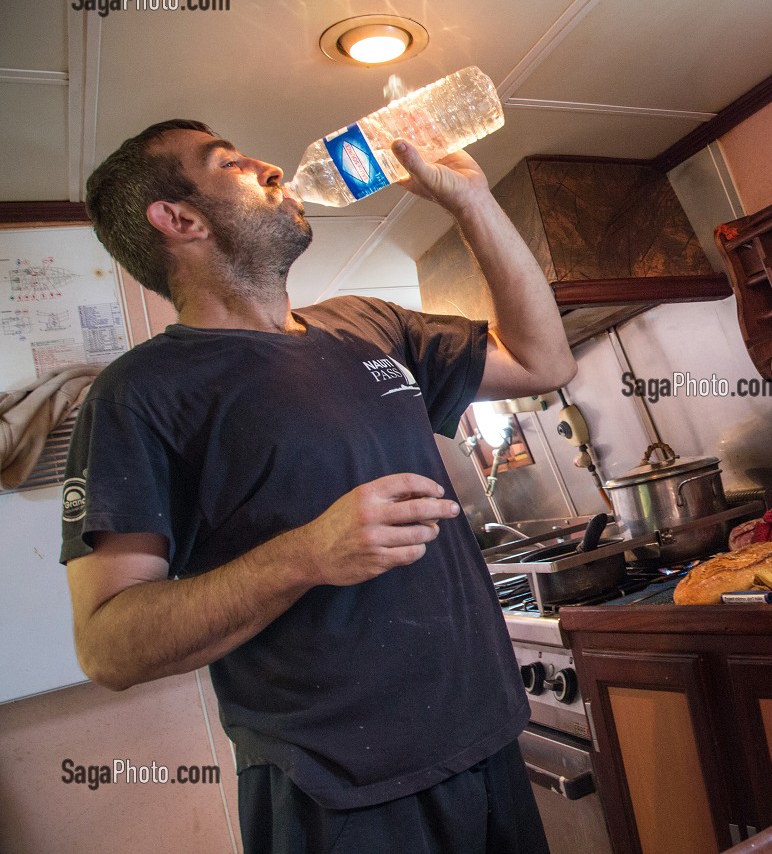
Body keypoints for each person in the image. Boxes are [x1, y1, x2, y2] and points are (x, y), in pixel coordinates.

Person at [62, 119, 578, 852]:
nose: (271, 166)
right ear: (178, 219)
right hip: (340, 796)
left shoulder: (366, 322)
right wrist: (306, 554)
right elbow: (108, 644)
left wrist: (472, 203)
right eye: (231, 164)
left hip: (487, 743)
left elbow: (543, 361)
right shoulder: (138, 395)